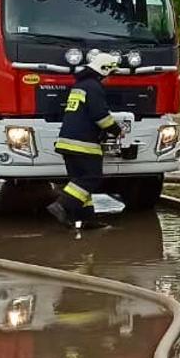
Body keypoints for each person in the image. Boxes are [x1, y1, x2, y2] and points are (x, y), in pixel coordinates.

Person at [49, 50, 122, 230]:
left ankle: (86, 219)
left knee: (79, 183)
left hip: (68, 142)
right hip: (84, 144)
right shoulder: (94, 87)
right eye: (111, 74)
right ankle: (62, 205)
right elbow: (100, 116)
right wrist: (116, 130)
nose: (110, 79)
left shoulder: (80, 85)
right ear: (104, 70)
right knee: (92, 178)